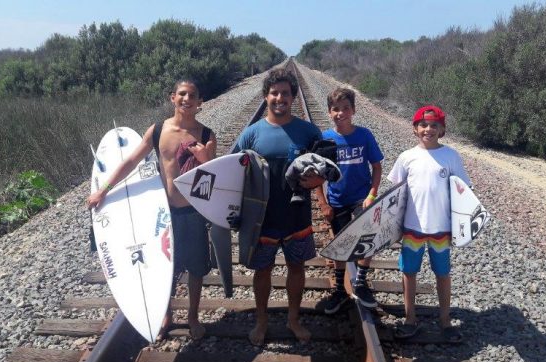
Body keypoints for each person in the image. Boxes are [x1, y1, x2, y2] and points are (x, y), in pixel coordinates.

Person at [87, 79, 216, 341]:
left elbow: (214, 175)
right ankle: (165, 314)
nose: (186, 99)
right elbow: (132, 161)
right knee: (163, 265)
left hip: (193, 212)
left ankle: (192, 316)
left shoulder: (206, 135)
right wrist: (104, 189)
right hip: (164, 214)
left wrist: (205, 159)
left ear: (200, 102)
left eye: (192, 95)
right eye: (182, 94)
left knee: (196, 269)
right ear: (172, 98)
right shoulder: (158, 130)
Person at [231, 69, 325, 345]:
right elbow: (233, 171)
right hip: (263, 218)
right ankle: (262, 321)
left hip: (297, 216)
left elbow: (324, 169)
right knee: (263, 271)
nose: (279, 98)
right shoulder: (251, 134)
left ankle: (293, 319)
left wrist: (316, 184)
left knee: (297, 267)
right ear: (266, 96)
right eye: (274, 93)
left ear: (293, 97)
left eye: (285, 93)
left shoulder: (308, 132)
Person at [386, 105, 471, 343]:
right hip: (412, 229)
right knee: (409, 272)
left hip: (441, 230)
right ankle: (410, 318)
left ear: (442, 129)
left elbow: (464, 192)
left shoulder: (451, 156)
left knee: (443, 274)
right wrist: (393, 227)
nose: (428, 129)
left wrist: (462, 227)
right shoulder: (406, 157)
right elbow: (395, 195)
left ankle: (445, 320)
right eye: (423, 125)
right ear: (415, 129)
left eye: (435, 125)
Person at [316, 87, 384, 313]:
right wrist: (323, 203)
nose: (340, 113)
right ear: (329, 112)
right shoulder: (325, 138)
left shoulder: (363, 135)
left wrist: (372, 195)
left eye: (345, 108)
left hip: (360, 198)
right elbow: (316, 175)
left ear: (353, 110)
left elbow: (376, 166)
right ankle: (339, 291)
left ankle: (361, 282)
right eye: (335, 109)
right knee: (340, 245)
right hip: (337, 200)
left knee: (367, 239)